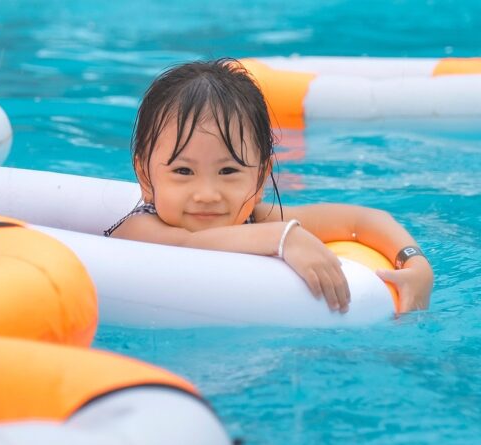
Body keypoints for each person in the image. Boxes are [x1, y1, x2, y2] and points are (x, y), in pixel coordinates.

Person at [105, 58, 433, 313]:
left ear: (261, 178)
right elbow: (188, 245)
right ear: (146, 177)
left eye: (229, 170)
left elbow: (362, 222)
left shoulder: (256, 216)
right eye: (183, 171)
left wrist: (414, 262)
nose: (207, 195)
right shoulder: (138, 230)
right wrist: (281, 237)